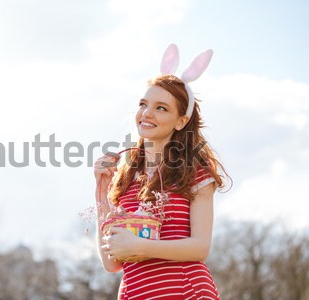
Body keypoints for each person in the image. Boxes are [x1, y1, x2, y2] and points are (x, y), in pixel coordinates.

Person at [93, 43, 230, 299]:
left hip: (184, 290)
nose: (147, 113)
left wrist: (141, 245)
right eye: (143, 104)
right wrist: (101, 192)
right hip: (136, 292)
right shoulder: (127, 177)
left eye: (161, 107)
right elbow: (111, 263)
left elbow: (200, 247)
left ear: (181, 121)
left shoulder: (195, 172)